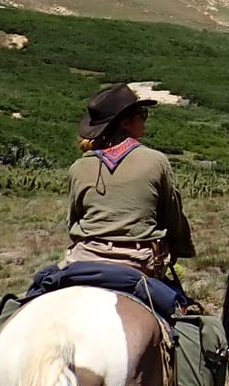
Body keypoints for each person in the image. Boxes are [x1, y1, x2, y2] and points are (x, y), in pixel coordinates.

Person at [66, 83, 195, 279]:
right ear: (126, 123)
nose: (144, 119)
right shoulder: (156, 161)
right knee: (176, 298)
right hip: (139, 261)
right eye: (142, 114)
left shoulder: (78, 167)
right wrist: (180, 248)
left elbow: (73, 220)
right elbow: (172, 217)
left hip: (83, 258)